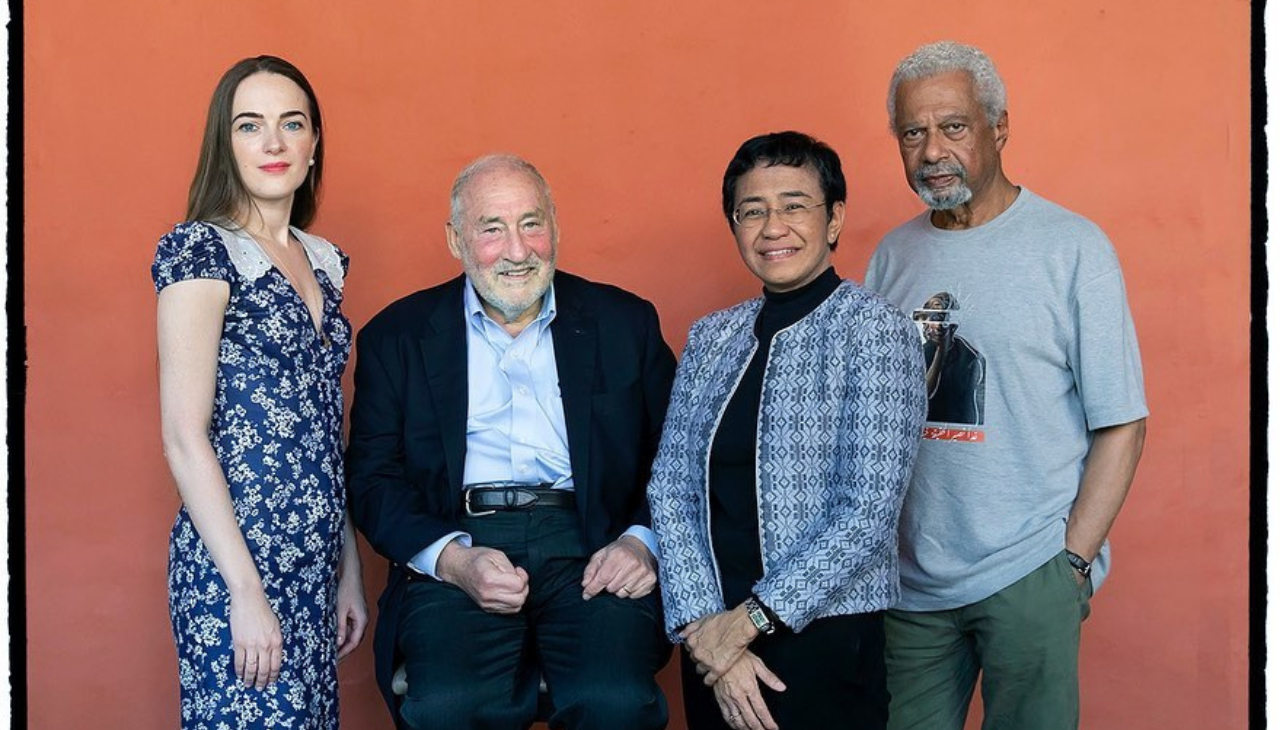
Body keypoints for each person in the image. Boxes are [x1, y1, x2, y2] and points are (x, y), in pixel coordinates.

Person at [864, 41, 1149, 729]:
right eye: (913, 132)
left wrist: (1070, 564)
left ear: (999, 128)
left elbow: (1123, 423)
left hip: (1029, 572)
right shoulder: (891, 256)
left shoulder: (1072, 248)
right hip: (912, 586)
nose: (932, 150)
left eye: (953, 126)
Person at [345, 154, 675, 730]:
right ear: (456, 239)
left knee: (615, 700)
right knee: (448, 704)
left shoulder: (625, 322)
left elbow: (676, 455)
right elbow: (372, 478)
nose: (518, 250)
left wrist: (642, 541)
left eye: (531, 223)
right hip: (460, 540)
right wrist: (451, 559)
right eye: (491, 228)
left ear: (555, 226)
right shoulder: (396, 335)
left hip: (593, 542)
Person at [647, 131, 926, 730]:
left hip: (827, 638)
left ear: (834, 220)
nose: (773, 227)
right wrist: (706, 633)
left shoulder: (877, 332)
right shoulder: (711, 338)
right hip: (714, 636)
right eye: (753, 211)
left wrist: (748, 622)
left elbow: (868, 512)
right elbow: (671, 491)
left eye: (795, 205)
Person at [152, 55, 367, 729]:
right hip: (235, 562)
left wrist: (348, 569)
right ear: (227, 142)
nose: (272, 142)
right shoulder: (200, 251)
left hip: (313, 566)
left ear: (313, 144)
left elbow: (326, 431)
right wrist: (243, 591)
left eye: (290, 123)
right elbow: (184, 436)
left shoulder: (324, 262)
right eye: (250, 125)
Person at [911, 291, 986, 425]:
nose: (938, 326)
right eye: (933, 318)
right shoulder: (919, 352)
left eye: (943, 318)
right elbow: (921, 396)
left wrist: (942, 349)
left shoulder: (971, 359)